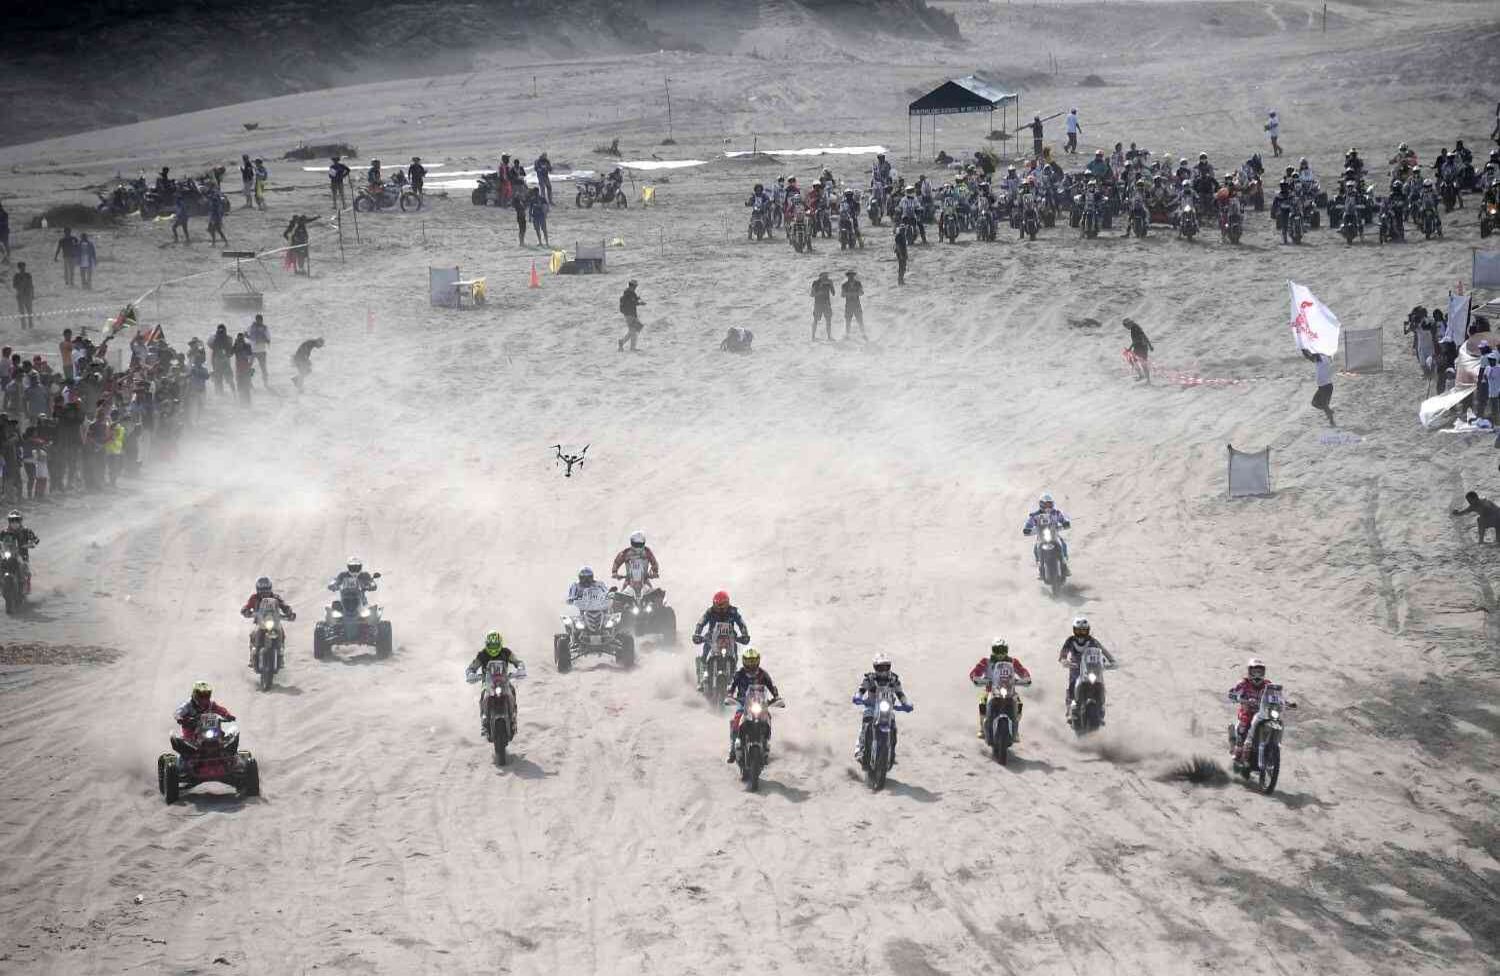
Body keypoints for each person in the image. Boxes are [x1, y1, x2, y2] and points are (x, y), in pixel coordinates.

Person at [852, 652, 912, 764]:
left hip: (887, 709)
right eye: (880, 667)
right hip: (871, 706)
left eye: (886, 667)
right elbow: (861, 690)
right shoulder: (869, 679)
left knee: (893, 728)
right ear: (875, 667)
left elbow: (900, 693)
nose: (884, 670)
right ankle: (859, 751)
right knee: (865, 725)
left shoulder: (893, 679)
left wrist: (906, 704)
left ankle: (891, 754)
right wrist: (858, 697)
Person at [464, 630, 527, 734]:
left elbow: (518, 661)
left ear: (500, 643)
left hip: (504, 681)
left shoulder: (506, 652)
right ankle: (484, 721)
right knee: (483, 694)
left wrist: (520, 668)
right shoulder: (482, 655)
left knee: (512, 689)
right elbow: (471, 667)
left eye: (495, 645)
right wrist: (471, 674)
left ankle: (513, 716)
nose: (493, 647)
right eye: (491, 645)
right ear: (487, 644)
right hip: (488, 683)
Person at [967, 639, 1032, 739]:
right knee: (982, 702)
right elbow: (975, 671)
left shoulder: (1013, 662)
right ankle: (982, 728)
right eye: (997, 650)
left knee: (1019, 703)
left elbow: (1022, 671)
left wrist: (1026, 678)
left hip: (1010, 691)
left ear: (1007, 650)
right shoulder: (986, 661)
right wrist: (976, 677)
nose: (1000, 653)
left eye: (1003, 650)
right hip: (990, 690)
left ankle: (1015, 729)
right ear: (993, 650)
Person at [726, 647, 779, 763]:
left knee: (768, 717)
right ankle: (732, 751)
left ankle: (765, 742)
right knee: (736, 719)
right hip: (743, 703)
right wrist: (729, 695)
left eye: (753, 661)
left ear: (758, 661)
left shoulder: (763, 674)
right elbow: (731, 685)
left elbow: (772, 686)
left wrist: (776, 696)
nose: (751, 664)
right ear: (744, 661)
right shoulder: (739, 674)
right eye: (748, 661)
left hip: (760, 703)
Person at [1058, 616, 1115, 722]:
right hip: (1075, 668)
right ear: (1074, 630)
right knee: (1072, 685)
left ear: (1087, 630)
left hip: (1091, 668)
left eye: (1083, 630)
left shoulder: (1092, 641)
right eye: (1078, 630)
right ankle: (1070, 709)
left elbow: (1103, 650)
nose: (1081, 633)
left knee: (1099, 683)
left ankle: (1101, 706)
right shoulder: (1070, 641)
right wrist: (1064, 660)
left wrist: (1112, 661)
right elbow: (1063, 653)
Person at [692, 589, 750, 691]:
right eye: (717, 605)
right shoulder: (710, 611)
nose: (720, 607)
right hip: (712, 638)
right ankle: (701, 679)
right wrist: (697, 633)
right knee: (704, 654)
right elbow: (701, 622)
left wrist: (744, 635)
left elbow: (742, 623)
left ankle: (732, 676)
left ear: (727, 603)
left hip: (729, 638)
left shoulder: (733, 611)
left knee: (735, 655)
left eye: (722, 605)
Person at [1226, 658, 1279, 763]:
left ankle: (1270, 748)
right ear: (1249, 672)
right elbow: (1232, 692)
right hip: (1247, 711)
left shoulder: (1268, 685)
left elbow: (1276, 696)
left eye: (1260, 672)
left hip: (1263, 713)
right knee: (1244, 723)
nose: (1257, 675)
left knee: (1274, 721)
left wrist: (1285, 703)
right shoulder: (1243, 683)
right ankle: (1239, 747)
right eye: (1254, 672)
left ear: (1264, 672)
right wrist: (1237, 697)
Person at [240, 576, 296, 669]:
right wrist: (246, 611)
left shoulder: (276, 597)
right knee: (253, 634)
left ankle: (280, 657)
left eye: (266, 590)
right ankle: (252, 657)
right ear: (257, 590)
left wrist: (289, 613)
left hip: (274, 622)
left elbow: (285, 606)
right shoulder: (254, 598)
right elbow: (247, 606)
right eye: (261, 590)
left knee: (282, 633)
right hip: (260, 622)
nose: (264, 592)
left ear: (270, 589)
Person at [173, 681, 236, 756]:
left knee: (225, 735)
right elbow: (177, 713)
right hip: (191, 733)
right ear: (195, 694)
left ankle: (233, 758)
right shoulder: (187, 705)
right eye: (201, 695)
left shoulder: (211, 704)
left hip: (210, 730)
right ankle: (182, 762)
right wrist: (181, 719)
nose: (204, 698)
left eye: (207, 695)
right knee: (186, 749)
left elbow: (220, 709)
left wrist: (227, 715)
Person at [1022, 492, 1071, 576]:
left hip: (1054, 534)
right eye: (1046, 504)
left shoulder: (1056, 513)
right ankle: (1040, 568)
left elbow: (1063, 518)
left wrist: (1066, 522)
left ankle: (1065, 565)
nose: (1048, 506)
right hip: (1041, 537)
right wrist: (1027, 529)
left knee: (1063, 544)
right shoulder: (1035, 515)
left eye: (1049, 504)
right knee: (1035, 549)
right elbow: (1029, 523)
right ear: (1041, 504)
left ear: (1052, 504)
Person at [1, 510, 38, 590]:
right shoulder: (4, 532)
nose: (14, 523)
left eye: (17, 520)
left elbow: (36, 540)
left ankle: (27, 584)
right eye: (12, 520)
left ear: (20, 521)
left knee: (25, 569)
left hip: (22, 555)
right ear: (9, 521)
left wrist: (31, 544)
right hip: (8, 554)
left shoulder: (26, 531)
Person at [1305, 350, 1335, 426]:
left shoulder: (1321, 358)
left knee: (1323, 404)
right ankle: (1329, 411)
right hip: (1323, 387)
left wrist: (1304, 351)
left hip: (1326, 386)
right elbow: (1311, 358)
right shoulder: (1323, 359)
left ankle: (1332, 422)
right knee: (1315, 403)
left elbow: (1311, 357)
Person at [1123, 318, 1153, 383]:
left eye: (1126, 326)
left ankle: (1147, 380)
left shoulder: (1135, 329)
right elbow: (1140, 338)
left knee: (1142, 363)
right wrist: (1150, 346)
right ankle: (1143, 376)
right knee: (1133, 360)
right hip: (1139, 347)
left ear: (1129, 324)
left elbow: (1140, 338)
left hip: (1141, 347)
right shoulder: (1134, 328)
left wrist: (1130, 348)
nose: (1126, 328)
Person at [618, 280, 644, 352]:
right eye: (635, 286)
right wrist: (640, 303)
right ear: (632, 286)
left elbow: (632, 301)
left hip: (630, 314)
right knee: (634, 331)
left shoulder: (629, 293)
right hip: (630, 315)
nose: (636, 287)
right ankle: (632, 348)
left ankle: (622, 342)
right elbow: (632, 303)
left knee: (636, 328)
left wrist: (637, 299)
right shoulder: (629, 293)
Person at [841, 270, 866, 341]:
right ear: (847, 276)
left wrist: (856, 292)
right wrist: (850, 293)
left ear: (854, 276)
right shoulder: (844, 285)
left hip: (857, 305)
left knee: (860, 320)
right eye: (850, 275)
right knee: (848, 321)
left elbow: (861, 293)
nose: (851, 277)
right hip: (849, 305)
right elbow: (842, 295)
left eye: (852, 275)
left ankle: (863, 334)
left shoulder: (858, 283)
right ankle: (847, 335)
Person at [248, 314, 271, 388]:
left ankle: (265, 383)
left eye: (260, 320)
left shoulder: (252, 327)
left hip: (257, 351)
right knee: (252, 368)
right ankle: (250, 382)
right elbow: (268, 339)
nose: (260, 321)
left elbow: (247, 336)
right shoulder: (263, 328)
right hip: (255, 351)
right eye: (259, 320)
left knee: (262, 368)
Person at [810, 272, 835, 341]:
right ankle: (813, 337)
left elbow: (833, 293)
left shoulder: (828, 283)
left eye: (826, 276)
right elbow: (812, 294)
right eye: (824, 276)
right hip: (818, 304)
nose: (826, 278)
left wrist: (831, 285)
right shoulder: (815, 282)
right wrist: (818, 292)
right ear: (820, 277)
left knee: (828, 320)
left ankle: (829, 337)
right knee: (815, 320)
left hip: (827, 304)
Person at [232, 332, 254, 405]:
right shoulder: (239, 346)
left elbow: (251, 356)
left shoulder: (246, 346)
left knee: (244, 387)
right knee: (242, 387)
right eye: (240, 339)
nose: (240, 340)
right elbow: (230, 353)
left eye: (241, 339)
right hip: (241, 369)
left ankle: (246, 403)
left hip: (243, 369)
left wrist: (250, 366)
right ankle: (244, 403)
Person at [11, 262, 34, 331]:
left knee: (29, 312)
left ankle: (31, 326)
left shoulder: (28, 275)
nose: (23, 268)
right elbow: (14, 286)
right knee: (22, 312)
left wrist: (32, 294)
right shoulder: (16, 276)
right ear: (19, 268)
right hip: (20, 296)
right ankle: (23, 327)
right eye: (21, 267)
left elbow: (31, 285)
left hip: (28, 295)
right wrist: (20, 282)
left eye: (24, 267)